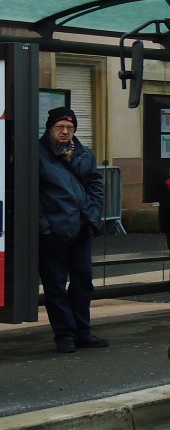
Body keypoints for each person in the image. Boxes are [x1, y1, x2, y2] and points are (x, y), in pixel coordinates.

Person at [38, 107, 107, 353]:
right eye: (60, 127)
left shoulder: (83, 153)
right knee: (55, 286)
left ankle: (83, 332)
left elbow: (96, 185)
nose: (65, 132)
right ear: (50, 129)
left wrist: (93, 216)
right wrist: (44, 226)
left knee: (83, 283)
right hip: (53, 232)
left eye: (69, 128)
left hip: (80, 228)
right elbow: (30, 193)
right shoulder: (38, 154)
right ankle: (64, 335)